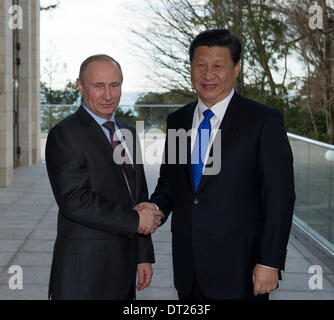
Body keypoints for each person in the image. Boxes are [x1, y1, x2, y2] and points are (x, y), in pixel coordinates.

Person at [137, 29, 295, 300]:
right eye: (200, 65)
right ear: (191, 69)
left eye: (218, 66)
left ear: (236, 69)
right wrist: (156, 207)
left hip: (241, 269)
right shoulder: (179, 120)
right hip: (188, 266)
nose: (208, 74)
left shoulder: (263, 121)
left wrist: (269, 261)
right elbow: (171, 184)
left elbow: (279, 196)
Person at [45, 54, 163, 300]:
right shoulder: (65, 134)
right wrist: (135, 220)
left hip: (124, 268)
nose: (108, 95)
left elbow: (138, 196)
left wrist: (143, 256)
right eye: (98, 86)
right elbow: (75, 200)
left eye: (114, 85)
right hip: (84, 274)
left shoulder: (128, 132)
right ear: (80, 86)